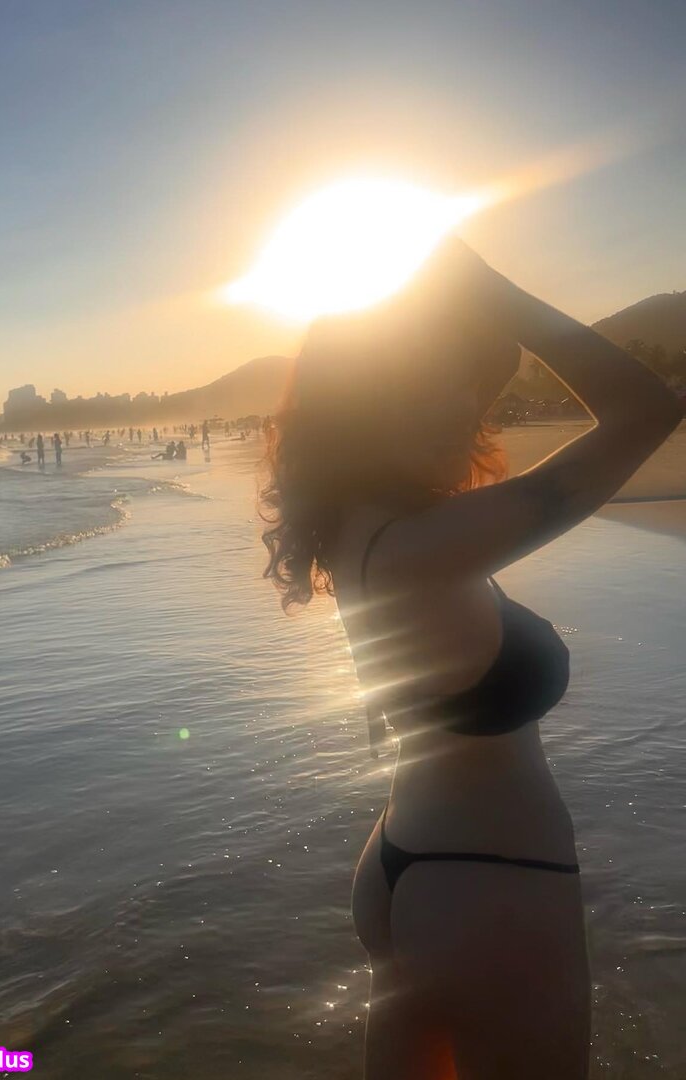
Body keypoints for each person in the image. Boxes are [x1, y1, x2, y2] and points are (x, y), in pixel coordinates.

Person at [257, 235, 683, 1080]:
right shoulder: (427, 547)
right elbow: (645, 409)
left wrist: (449, 324)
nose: (466, 407)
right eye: (430, 391)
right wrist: (491, 289)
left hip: (406, 866)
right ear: (369, 411)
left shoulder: (363, 527)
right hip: (492, 881)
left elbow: (454, 398)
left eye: (465, 388)